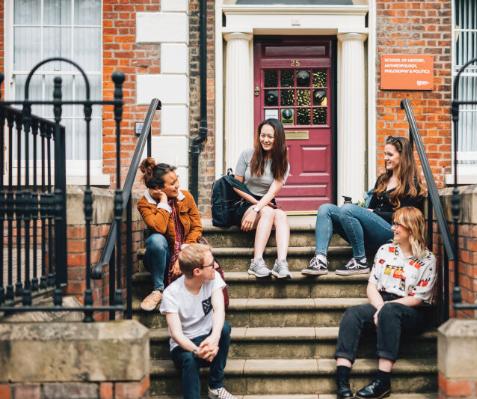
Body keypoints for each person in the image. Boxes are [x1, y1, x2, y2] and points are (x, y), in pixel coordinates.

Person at [334, 207, 436, 399]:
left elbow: (419, 298)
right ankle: (342, 378)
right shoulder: (385, 250)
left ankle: (383, 380)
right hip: (384, 301)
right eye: (394, 223)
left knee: (391, 311)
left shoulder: (427, 259)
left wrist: (386, 309)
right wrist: (380, 307)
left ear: (411, 228)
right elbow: (372, 286)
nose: (393, 228)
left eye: (398, 224)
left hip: (412, 309)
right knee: (353, 314)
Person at [302, 136, 425, 276]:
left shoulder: (411, 186)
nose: (385, 158)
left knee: (347, 210)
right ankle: (320, 260)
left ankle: (360, 260)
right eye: (385, 154)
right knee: (326, 209)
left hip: (391, 233)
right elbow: (370, 209)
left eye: (390, 154)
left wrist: (373, 213)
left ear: (403, 156)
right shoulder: (383, 180)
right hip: (369, 233)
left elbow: (407, 218)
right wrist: (365, 211)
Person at [160, 244, 236, 399]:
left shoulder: (214, 278)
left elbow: (219, 310)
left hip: (208, 339)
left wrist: (214, 339)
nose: (215, 266)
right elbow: (176, 334)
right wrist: (197, 351)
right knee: (190, 359)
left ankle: (215, 387)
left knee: (224, 329)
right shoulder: (171, 294)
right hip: (183, 346)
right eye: (211, 264)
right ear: (197, 271)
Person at [137, 157, 203, 311]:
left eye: (177, 179)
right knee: (156, 240)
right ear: (159, 188)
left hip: (183, 250)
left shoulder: (186, 197)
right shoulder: (144, 203)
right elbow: (158, 227)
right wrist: (164, 202)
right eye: (172, 184)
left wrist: (183, 254)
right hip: (161, 256)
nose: (177, 185)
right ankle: (158, 290)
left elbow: (197, 227)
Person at [232, 118, 291, 279]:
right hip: (244, 202)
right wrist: (255, 207)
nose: (265, 140)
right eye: (263, 135)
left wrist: (258, 208)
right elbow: (236, 186)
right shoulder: (247, 154)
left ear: (278, 138)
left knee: (281, 215)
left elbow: (272, 193)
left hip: (265, 202)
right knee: (268, 212)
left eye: (270, 137)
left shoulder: (282, 162)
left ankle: (281, 263)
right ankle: (256, 261)